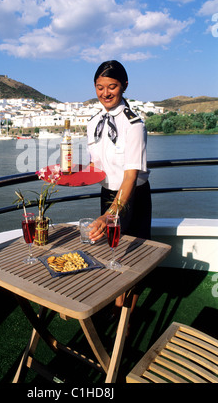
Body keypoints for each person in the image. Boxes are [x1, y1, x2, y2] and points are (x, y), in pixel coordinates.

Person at [87, 60, 151, 316]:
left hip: (132, 195)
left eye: (111, 86)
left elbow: (130, 176)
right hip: (107, 193)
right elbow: (96, 166)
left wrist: (110, 214)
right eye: (100, 87)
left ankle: (126, 322)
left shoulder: (134, 124)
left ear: (124, 86)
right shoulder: (93, 122)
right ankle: (114, 307)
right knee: (108, 251)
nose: (105, 93)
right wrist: (67, 174)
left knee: (132, 258)